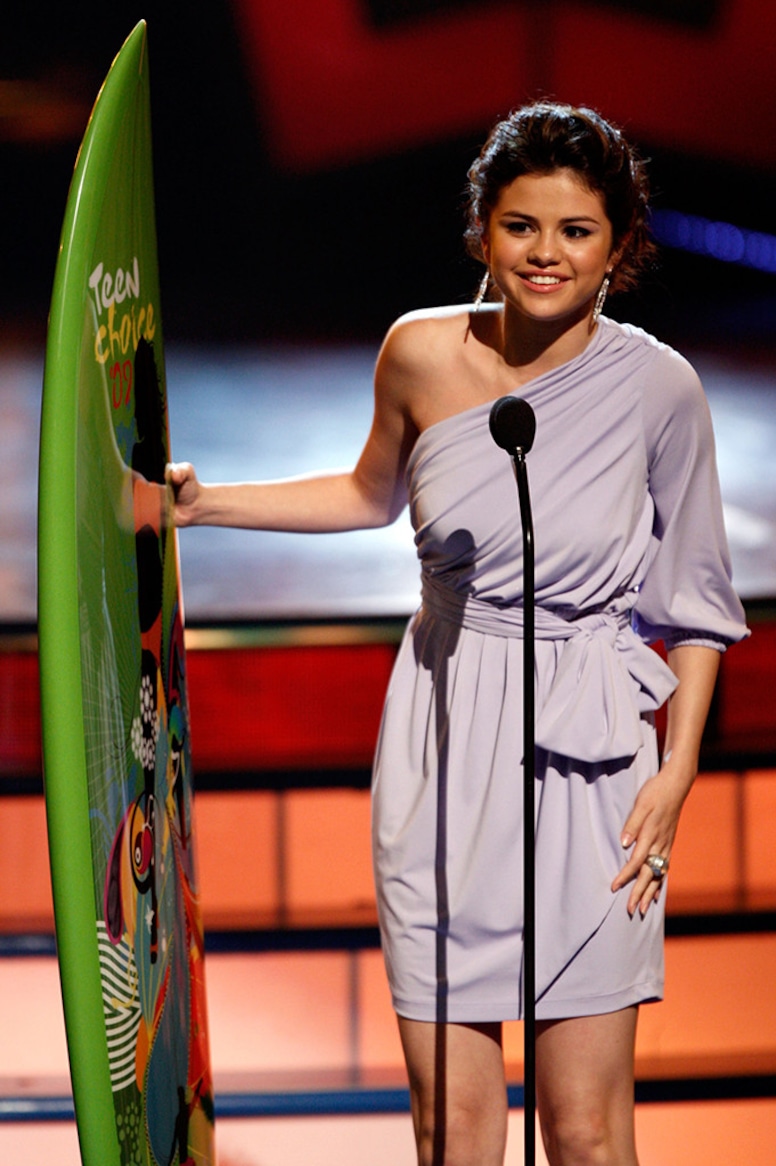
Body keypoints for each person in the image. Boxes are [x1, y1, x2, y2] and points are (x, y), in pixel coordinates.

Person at [168, 102, 749, 1166]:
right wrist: (207, 506)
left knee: (584, 1130)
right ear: (481, 227)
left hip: (595, 773)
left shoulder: (660, 388)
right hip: (444, 741)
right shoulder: (418, 352)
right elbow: (366, 492)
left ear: (618, 245)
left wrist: (675, 770)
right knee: (454, 1131)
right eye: (521, 225)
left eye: (575, 230)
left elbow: (694, 603)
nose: (544, 253)